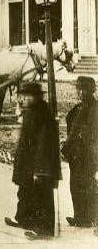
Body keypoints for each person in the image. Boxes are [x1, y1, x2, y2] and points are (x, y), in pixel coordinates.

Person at [4, 82, 61, 240]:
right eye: (22, 96)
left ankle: (44, 230)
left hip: (38, 163)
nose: (23, 99)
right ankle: (23, 219)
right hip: (27, 162)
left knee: (41, 196)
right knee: (25, 190)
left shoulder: (42, 113)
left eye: (27, 96)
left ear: (35, 97)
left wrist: (40, 169)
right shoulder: (30, 111)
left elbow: (44, 144)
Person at [62, 76, 98, 228]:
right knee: (75, 184)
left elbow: (92, 133)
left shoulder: (94, 109)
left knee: (88, 185)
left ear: (85, 91)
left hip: (87, 154)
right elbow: (71, 121)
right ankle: (80, 217)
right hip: (76, 154)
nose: (77, 92)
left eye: (79, 89)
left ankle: (91, 218)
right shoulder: (79, 107)